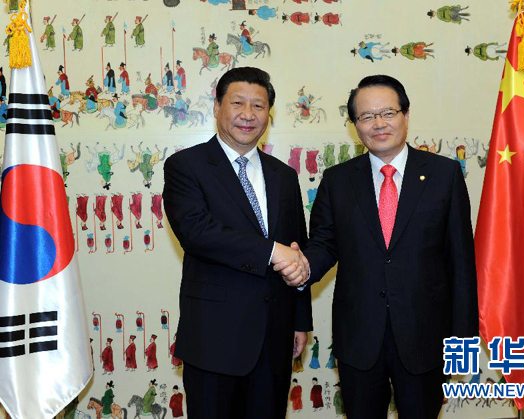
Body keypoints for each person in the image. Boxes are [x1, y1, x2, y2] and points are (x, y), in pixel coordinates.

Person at [276, 75, 478, 418]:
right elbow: (324, 244)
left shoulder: (444, 174)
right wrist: (302, 266)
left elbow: (460, 259)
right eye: (367, 116)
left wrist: (463, 337)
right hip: (359, 336)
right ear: (355, 125)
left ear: (406, 115)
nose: (379, 124)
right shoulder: (337, 180)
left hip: (425, 336)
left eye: (388, 113)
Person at [163, 66, 312, 419]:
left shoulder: (284, 175)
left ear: (268, 114)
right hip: (214, 338)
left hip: (274, 337)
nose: (248, 114)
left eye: (258, 106)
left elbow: (297, 249)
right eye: (238, 103)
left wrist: (300, 320)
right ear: (217, 107)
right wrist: (271, 251)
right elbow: (197, 232)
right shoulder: (186, 165)